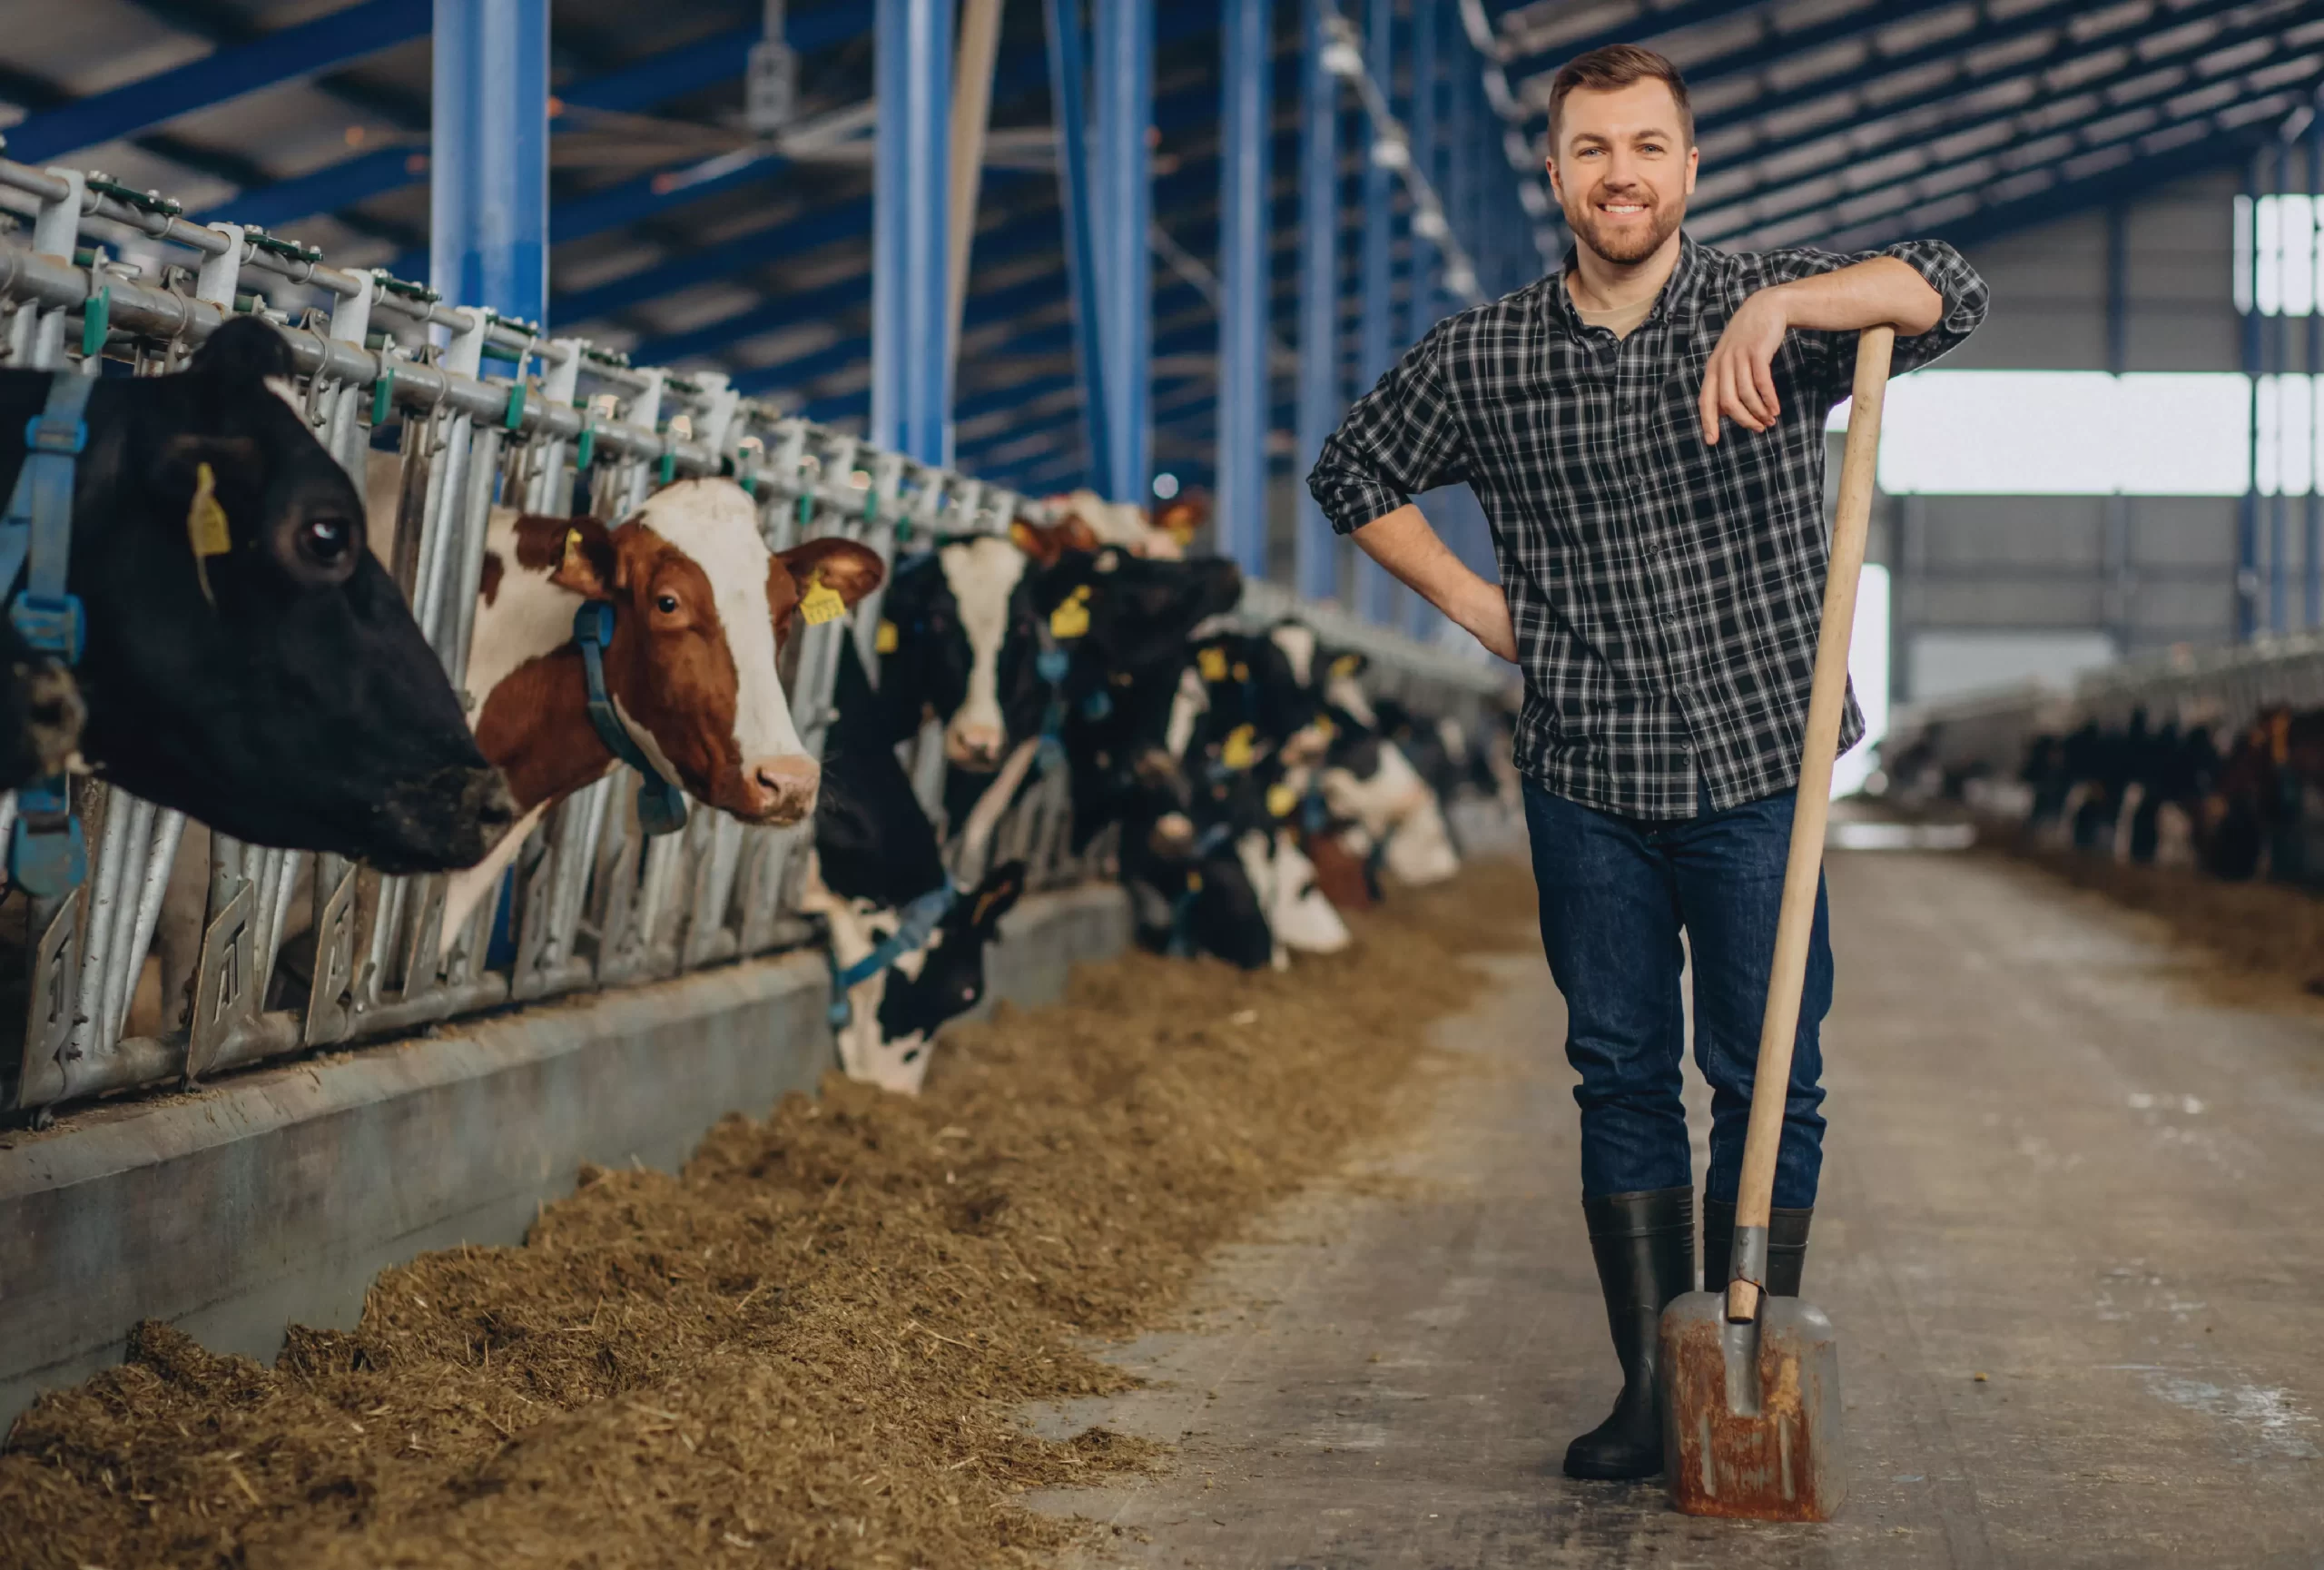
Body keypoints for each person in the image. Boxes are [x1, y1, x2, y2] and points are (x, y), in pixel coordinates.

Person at [1307, 43, 1987, 1482]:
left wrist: (1792, 304)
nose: (1622, 173)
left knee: (1767, 1079)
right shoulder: (1485, 356)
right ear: (1555, 175)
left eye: (1648, 146)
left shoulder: (1772, 312)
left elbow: (1946, 284)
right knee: (1620, 1075)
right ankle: (1646, 1390)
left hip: (1759, 760)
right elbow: (1352, 473)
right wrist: (1487, 613)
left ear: (1690, 168)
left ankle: (1745, 1365)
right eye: (1593, 150)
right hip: (1585, 769)